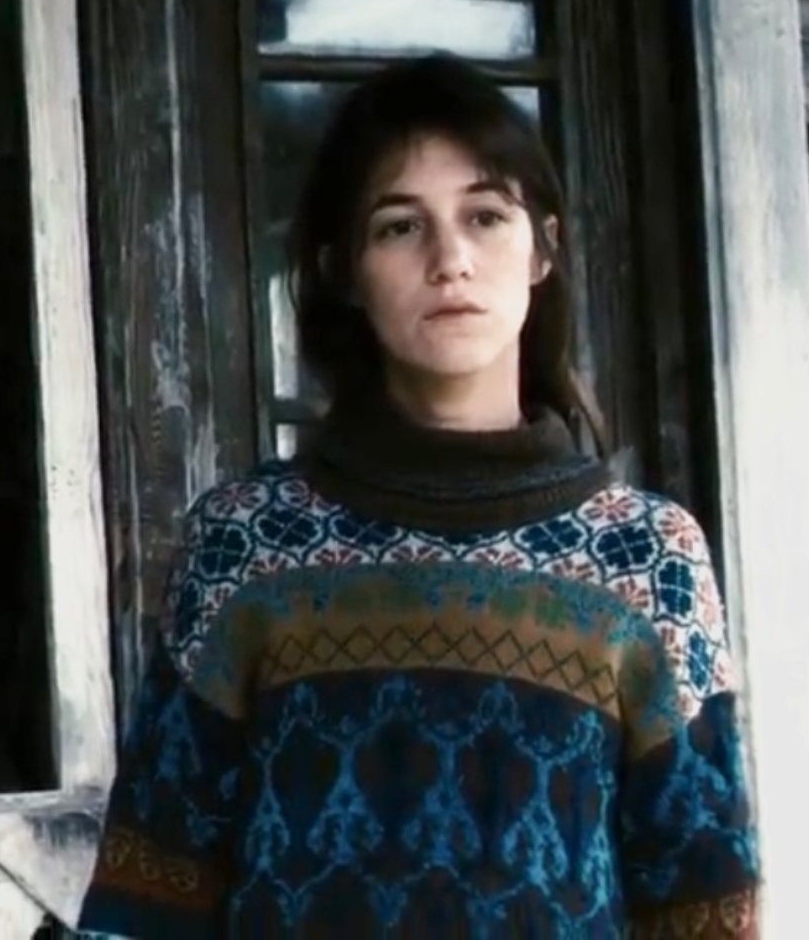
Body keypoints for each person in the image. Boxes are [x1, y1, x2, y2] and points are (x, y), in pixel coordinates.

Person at [76, 55, 758, 937]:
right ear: (344, 271)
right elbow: (149, 889)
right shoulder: (248, 543)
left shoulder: (646, 556)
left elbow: (705, 902)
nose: (450, 261)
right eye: (400, 227)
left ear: (543, 248)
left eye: (485, 216)